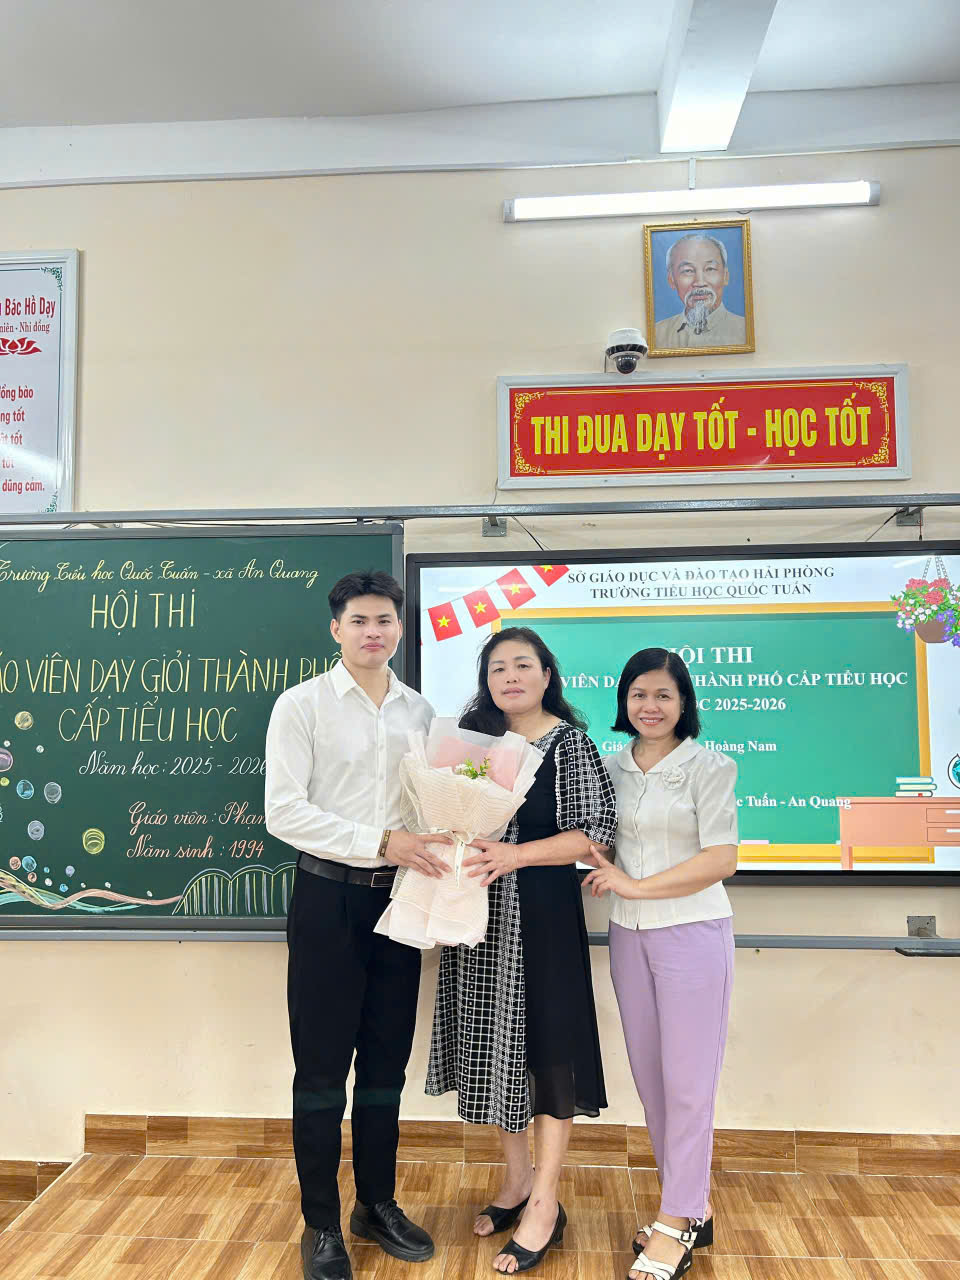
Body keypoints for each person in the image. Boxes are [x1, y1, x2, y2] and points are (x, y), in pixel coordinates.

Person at [265, 570, 451, 1280]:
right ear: (335, 629)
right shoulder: (301, 705)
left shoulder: (421, 713)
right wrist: (380, 841)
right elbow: (284, 812)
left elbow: (430, 807)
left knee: (384, 1063)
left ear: (400, 628)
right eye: (360, 621)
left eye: (385, 620)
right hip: (327, 902)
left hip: (398, 903)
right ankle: (320, 1222)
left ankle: (376, 1204)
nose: (374, 632)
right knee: (319, 1071)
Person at [426, 625, 617, 1275]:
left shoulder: (569, 744)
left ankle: (545, 1201)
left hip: (542, 917)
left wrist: (517, 855)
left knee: (548, 1053)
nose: (510, 677)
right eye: (497, 668)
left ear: (546, 675)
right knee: (496, 1049)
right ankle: (514, 1181)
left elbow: (596, 836)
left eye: (522, 665)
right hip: (477, 915)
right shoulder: (474, 742)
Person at [583, 647, 738, 1280]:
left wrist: (635, 885)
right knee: (652, 1081)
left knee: (688, 1084)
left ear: (684, 703)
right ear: (624, 701)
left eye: (664, 695)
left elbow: (721, 859)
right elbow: (599, 842)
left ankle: (675, 1222)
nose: (650, 706)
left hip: (693, 933)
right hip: (629, 937)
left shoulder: (710, 766)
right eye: (639, 694)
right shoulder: (608, 767)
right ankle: (691, 1205)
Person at [654, 233, 747, 349]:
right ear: (671, 280)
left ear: (725, 276)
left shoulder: (745, 330)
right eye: (688, 271)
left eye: (710, 269)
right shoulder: (657, 334)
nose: (700, 282)